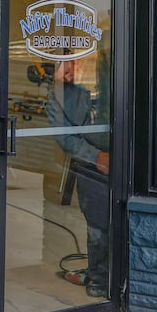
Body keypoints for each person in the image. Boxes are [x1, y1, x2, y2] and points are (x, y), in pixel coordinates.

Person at [47, 54, 110, 298]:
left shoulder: (116, 80)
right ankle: (100, 278)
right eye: (61, 65)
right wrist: (96, 157)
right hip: (91, 165)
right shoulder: (60, 94)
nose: (67, 71)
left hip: (130, 161)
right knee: (98, 225)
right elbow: (64, 136)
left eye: (73, 63)